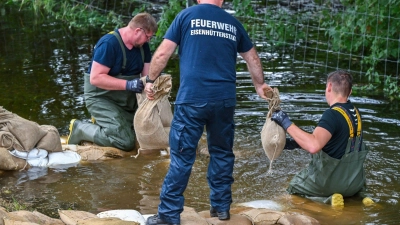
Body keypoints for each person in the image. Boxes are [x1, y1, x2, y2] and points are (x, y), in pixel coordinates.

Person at [144, 1, 272, 225]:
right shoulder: (232, 23)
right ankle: (221, 209)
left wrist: (150, 80)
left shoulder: (186, 16)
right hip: (224, 101)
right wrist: (260, 86)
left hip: (192, 99)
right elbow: (252, 58)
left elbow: (163, 53)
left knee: (182, 158)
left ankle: (167, 216)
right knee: (222, 153)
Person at [271, 70, 371, 206]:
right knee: (353, 190)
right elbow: (335, 142)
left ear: (329, 87)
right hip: (354, 183)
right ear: (350, 91)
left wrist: (285, 122)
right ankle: (363, 198)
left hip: (330, 184)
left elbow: (314, 146)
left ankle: (328, 200)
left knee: (293, 189)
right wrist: (296, 143)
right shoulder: (355, 112)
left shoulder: (332, 114)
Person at [66, 12, 158, 151]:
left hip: (127, 99)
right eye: (148, 37)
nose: (148, 41)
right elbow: (95, 78)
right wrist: (128, 84)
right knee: (125, 142)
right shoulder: (109, 44)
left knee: (144, 133)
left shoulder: (142, 46)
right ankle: (80, 128)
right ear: (138, 31)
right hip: (101, 97)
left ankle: (104, 123)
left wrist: (153, 84)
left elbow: (147, 75)